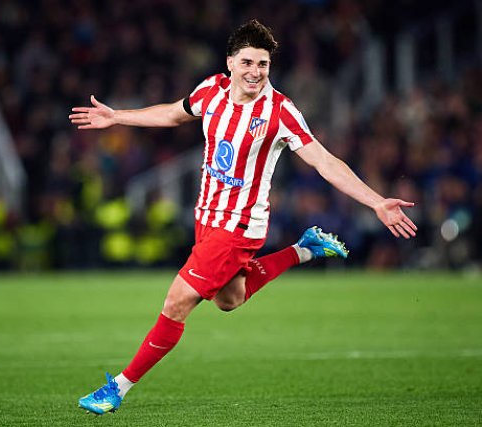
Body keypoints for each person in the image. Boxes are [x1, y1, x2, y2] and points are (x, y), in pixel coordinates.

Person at [68, 19, 417, 415]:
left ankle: (117, 388)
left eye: (263, 64)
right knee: (229, 299)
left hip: (238, 226)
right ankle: (304, 249)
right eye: (248, 62)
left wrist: (375, 201)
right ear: (230, 62)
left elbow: (324, 160)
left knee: (176, 302)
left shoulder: (280, 111)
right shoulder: (211, 90)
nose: (255, 72)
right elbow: (173, 114)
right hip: (206, 218)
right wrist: (118, 117)